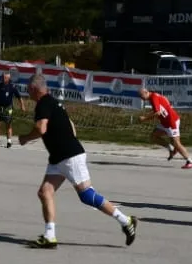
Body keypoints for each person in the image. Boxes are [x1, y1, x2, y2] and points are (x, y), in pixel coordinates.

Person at [19, 75, 137, 248]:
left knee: (87, 195)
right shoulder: (54, 102)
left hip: (68, 156)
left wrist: (25, 138)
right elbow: (71, 125)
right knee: (45, 192)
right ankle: (50, 236)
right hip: (59, 157)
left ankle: (126, 221)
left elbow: (41, 128)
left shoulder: (43, 103)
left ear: (34, 89)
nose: (27, 93)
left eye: (28, 89)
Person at [138, 86, 192, 168]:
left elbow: (157, 113)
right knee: (153, 136)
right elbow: (164, 103)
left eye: (141, 96)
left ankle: (190, 161)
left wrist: (145, 118)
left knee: (177, 143)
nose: (141, 98)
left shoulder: (153, 98)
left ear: (146, 92)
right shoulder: (155, 96)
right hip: (165, 122)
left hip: (171, 122)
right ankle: (170, 148)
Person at [0, 72, 23, 148]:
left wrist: (22, 106)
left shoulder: (12, 87)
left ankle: (9, 142)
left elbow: (19, 97)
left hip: (8, 109)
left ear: (8, 78)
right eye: (2, 77)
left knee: (8, 125)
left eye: (4, 77)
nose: (2, 78)